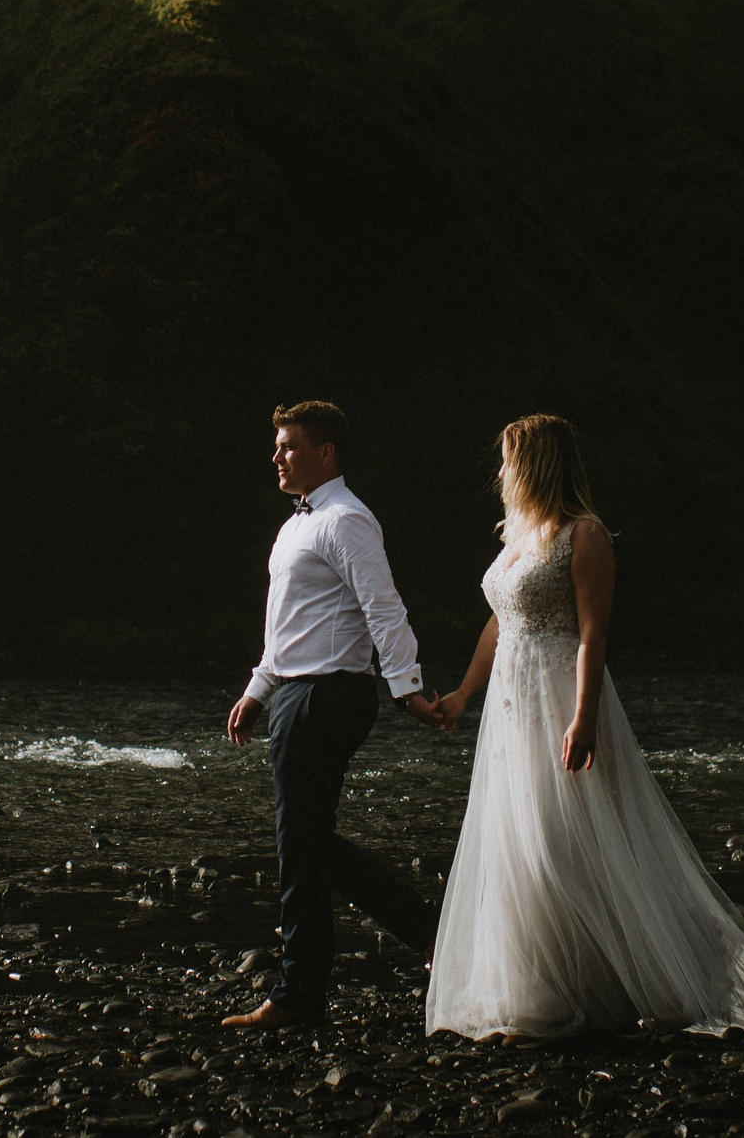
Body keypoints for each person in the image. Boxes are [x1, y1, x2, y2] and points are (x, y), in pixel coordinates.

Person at [424, 413, 744, 1042]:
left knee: (566, 840)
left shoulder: (582, 536)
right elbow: (499, 623)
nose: (499, 472)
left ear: (534, 463)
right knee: (520, 839)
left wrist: (584, 715)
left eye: (506, 460)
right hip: (510, 707)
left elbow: (593, 631)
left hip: (559, 699)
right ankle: (541, 989)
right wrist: (462, 693)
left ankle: (624, 981)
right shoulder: (516, 538)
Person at [222, 400, 449, 1029]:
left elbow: (384, 607)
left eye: (289, 445)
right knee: (306, 842)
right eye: (277, 445)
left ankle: (300, 995)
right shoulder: (296, 524)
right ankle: (426, 932)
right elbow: (287, 627)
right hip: (297, 690)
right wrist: (258, 688)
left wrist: (408, 690)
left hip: (330, 693)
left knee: (298, 842)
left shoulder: (347, 520)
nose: (276, 456)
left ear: (326, 453)